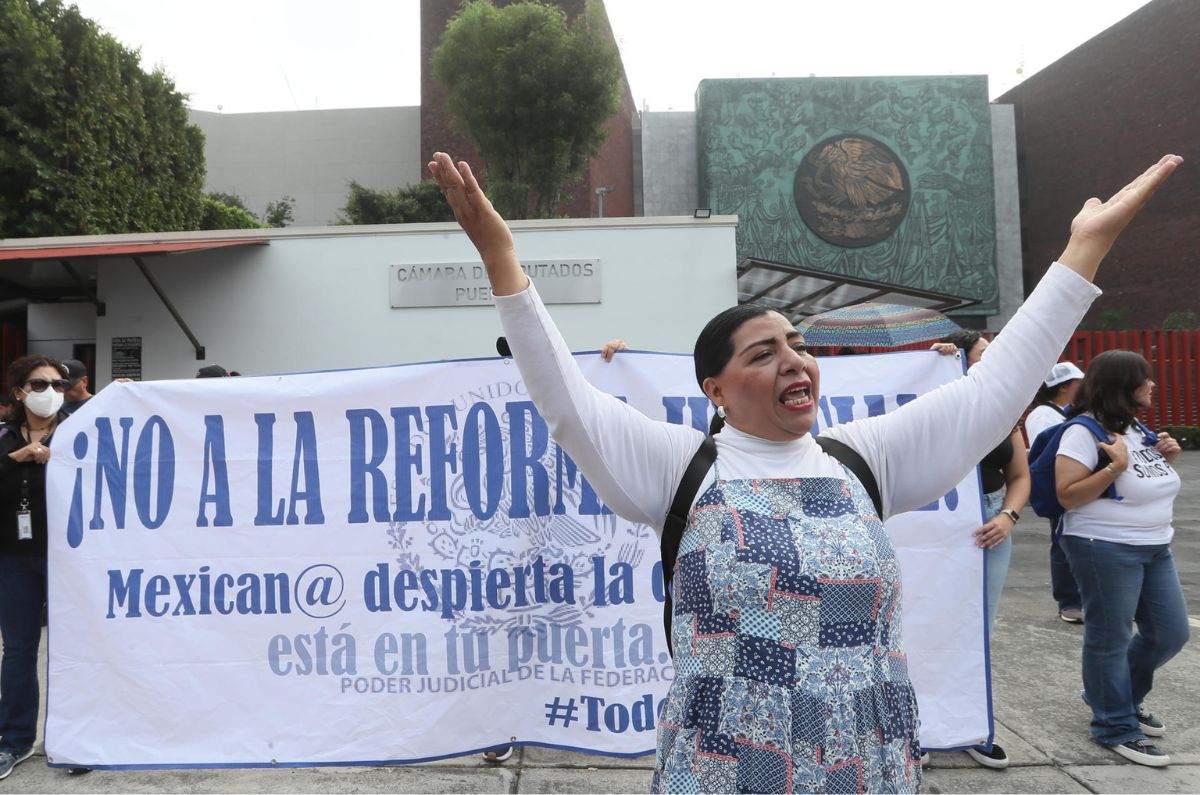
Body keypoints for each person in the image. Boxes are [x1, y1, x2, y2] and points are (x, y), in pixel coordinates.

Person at [428, 150, 1180, 793]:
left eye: (796, 344)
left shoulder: (863, 458)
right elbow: (567, 402)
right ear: (714, 390)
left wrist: (1084, 250)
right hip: (725, 770)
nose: (793, 360)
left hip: (867, 763)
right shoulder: (681, 469)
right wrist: (502, 260)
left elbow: (992, 394)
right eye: (761, 353)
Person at [1056, 350, 1186, 767]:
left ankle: (1114, 695)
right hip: (1103, 546)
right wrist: (1114, 469)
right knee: (1109, 637)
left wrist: (1165, 459)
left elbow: (1142, 478)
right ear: (1122, 385)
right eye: (1144, 379)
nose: (1152, 385)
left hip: (1154, 545)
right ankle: (1114, 724)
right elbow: (1068, 495)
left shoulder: (1134, 427)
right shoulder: (1083, 431)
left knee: (1170, 632)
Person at [930, 332, 1031, 770]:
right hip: (934, 520)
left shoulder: (1005, 408)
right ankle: (921, 726)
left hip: (988, 522)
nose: (996, 360)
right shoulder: (933, 398)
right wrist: (933, 367)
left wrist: (1008, 517)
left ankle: (970, 724)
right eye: (985, 353)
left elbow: (1021, 477)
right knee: (926, 621)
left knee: (978, 629)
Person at [0, 356, 71, 780]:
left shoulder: (82, 431)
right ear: (19, 392)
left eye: (59, 384)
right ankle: (14, 740)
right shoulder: (4, 437)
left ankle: (75, 737)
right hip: (14, 558)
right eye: (40, 383)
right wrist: (17, 458)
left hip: (71, 560)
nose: (51, 392)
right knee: (20, 650)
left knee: (78, 648)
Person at [1026, 361, 1087, 623]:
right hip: (1060, 488)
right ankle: (1069, 602)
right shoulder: (1043, 415)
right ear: (1064, 388)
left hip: (1078, 485)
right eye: (1078, 384)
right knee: (1062, 545)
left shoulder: (1067, 412)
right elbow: (1049, 452)